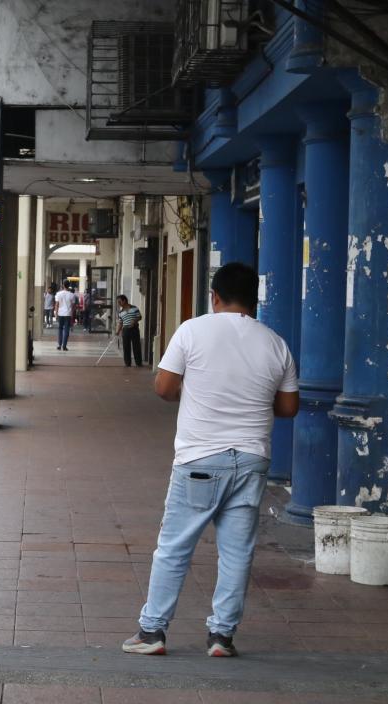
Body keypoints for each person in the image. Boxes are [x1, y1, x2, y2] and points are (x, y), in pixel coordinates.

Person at [122, 262, 298, 659]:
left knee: (174, 547)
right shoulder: (275, 343)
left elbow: (164, 389)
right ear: (254, 300)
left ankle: (153, 631)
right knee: (237, 552)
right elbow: (288, 407)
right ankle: (221, 636)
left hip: (200, 458)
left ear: (214, 297)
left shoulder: (191, 330)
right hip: (252, 459)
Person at [115, 295, 143, 367]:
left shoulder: (134, 308)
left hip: (134, 329)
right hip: (126, 330)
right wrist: (118, 331)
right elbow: (120, 322)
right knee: (126, 346)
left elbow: (139, 317)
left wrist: (134, 321)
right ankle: (127, 363)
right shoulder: (120, 312)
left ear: (124, 301)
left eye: (119, 301)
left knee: (136, 346)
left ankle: (138, 363)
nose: (119, 303)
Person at [54, 283, 78, 351]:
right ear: (68, 286)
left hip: (60, 314)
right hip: (68, 314)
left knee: (60, 329)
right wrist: (72, 314)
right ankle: (64, 346)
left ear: (63, 285)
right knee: (66, 330)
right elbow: (73, 306)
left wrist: (56, 314)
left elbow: (56, 304)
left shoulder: (58, 294)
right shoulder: (71, 295)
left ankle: (59, 345)